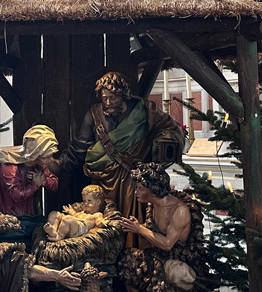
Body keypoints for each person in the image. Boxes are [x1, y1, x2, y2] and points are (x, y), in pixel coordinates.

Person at [62, 72, 183, 247]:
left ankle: (131, 255)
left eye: (113, 98)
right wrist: (62, 164)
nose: (108, 103)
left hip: (131, 180)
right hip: (102, 179)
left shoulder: (144, 111)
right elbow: (80, 147)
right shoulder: (94, 114)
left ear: (123, 95)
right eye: (105, 98)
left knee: (130, 223)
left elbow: (171, 128)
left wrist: (165, 139)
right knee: (103, 222)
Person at [117, 164, 212, 292]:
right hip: (158, 258)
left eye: (140, 188)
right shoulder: (152, 205)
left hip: (176, 267)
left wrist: (139, 229)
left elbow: (168, 244)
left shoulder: (179, 211)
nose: (136, 192)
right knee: (126, 262)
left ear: (152, 190)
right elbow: (154, 234)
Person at [44, 184, 108, 242]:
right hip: (71, 224)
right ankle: (53, 230)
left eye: (89, 201)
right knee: (54, 214)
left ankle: (58, 236)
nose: (85, 203)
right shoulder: (82, 212)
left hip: (79, 229)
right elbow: (75, 216)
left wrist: (103, 223)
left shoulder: (97, 214)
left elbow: (99, 222)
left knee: (68, 219)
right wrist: (71, 212)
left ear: (98, 202)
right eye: (84, 201)